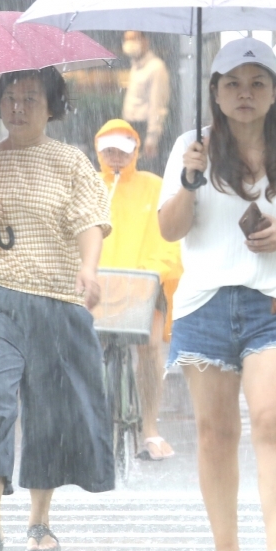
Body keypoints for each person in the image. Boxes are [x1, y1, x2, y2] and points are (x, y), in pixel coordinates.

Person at [158, 38, 276, 551]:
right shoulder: (192, 147)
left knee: (274, 419)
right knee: (216, 432)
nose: (245, 94)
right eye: (232, 83)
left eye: (257, 83)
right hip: (204, 304)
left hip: (274, 304)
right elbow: (169, 229)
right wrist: (189, 179)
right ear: (214, 92)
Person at [0, 67, 114, 551]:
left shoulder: (71, 162)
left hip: (56, 301)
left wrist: (90, 271)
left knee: (50, 412)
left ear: (53, 105)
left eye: (31, 97)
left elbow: (92, 221)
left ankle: (40, 522)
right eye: (10, 97)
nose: (18, 106)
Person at [94, 118, 182, 461]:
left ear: (135, 152)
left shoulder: (154, 186)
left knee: (148, 349)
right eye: (109, 150)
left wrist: (154, 271)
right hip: (97, 288)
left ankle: (150, 427)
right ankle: (87, 422)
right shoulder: (87, 186)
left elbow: (171, 238)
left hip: (144, 289)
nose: (116, 157)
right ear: (99, 150)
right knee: (85, 349)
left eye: (123, 150)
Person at [120, 31, 171, 175]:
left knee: (146, 173)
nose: (129, 44)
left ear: (145, 41)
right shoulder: (135, 66)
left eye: (134, 39)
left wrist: (152, 138)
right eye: (126, 39)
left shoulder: (156, 67)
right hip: (131, 128)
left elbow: (157, 105)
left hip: (145, 128)